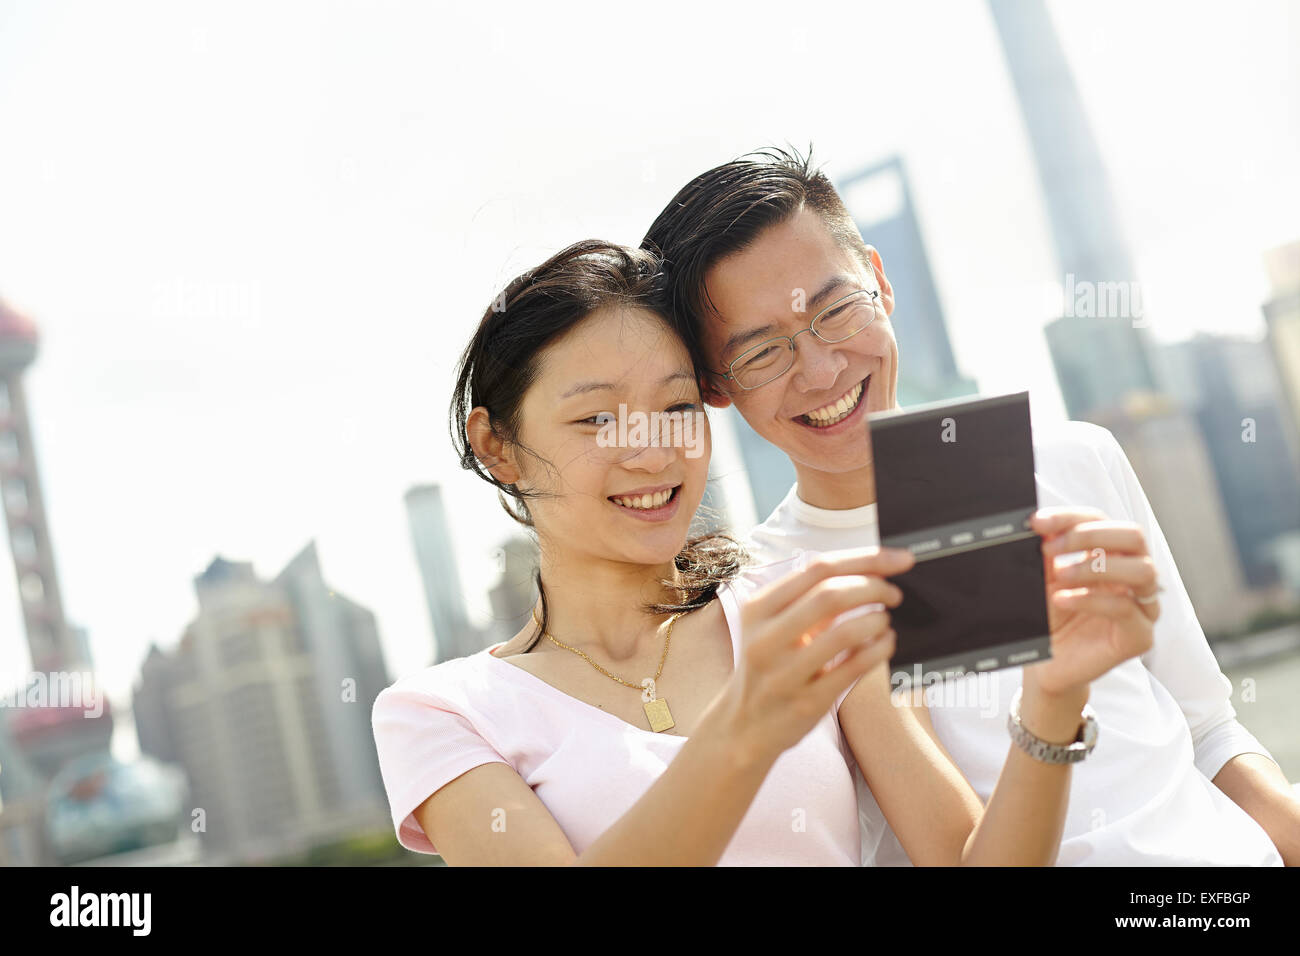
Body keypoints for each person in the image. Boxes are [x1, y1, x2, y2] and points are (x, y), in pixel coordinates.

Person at [371, 239, 1154, 866]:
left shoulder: (811, 607)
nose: (652, 452)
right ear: (498, 447)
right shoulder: (443, 713)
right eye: (597, 421)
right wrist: (746, 727)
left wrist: (1054, 699)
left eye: (678, 407)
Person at [641, 145, 1296, 866]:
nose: (822, 370)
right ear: (716, 386)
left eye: (835, 311)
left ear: (880, 282)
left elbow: (1209, 731)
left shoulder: (1072, 459)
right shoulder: (760, 600)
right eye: (764, 353)